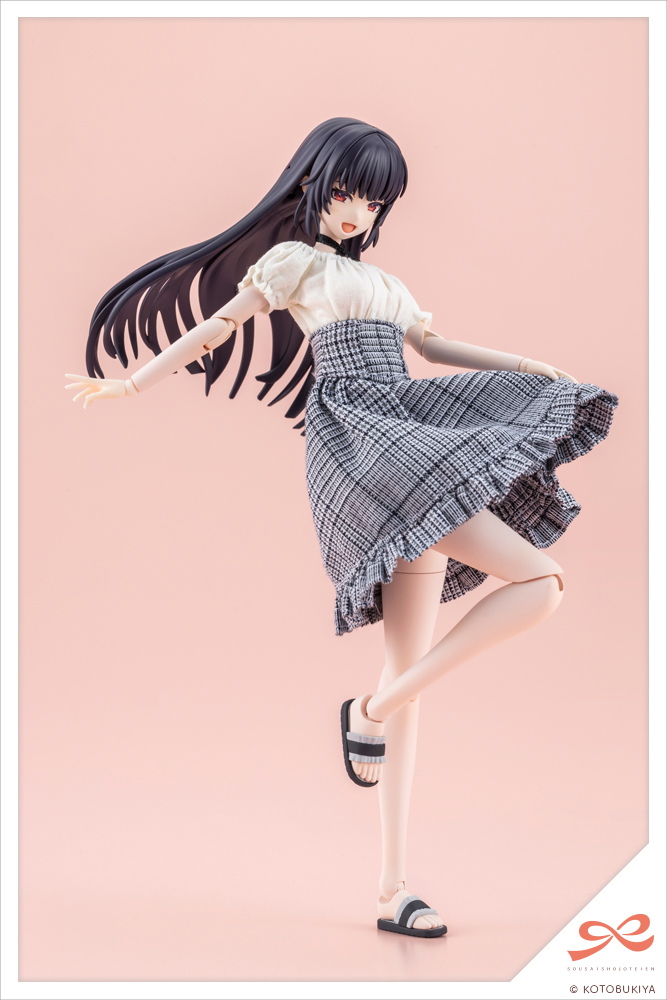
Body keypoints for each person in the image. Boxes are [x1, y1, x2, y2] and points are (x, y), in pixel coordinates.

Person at [66, 117, 617, 938]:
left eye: (374, 201)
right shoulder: (294, 264)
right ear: (313, 185)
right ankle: (370, 714)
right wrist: (134, 384)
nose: (357, 211)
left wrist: (522, 363)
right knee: (537, 580)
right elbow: (219, 325)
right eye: (347, 193)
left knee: (420, 675)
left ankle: (390, 871)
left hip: (406, 420)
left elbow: (433, 345)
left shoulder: (386, 283)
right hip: (360, 439)